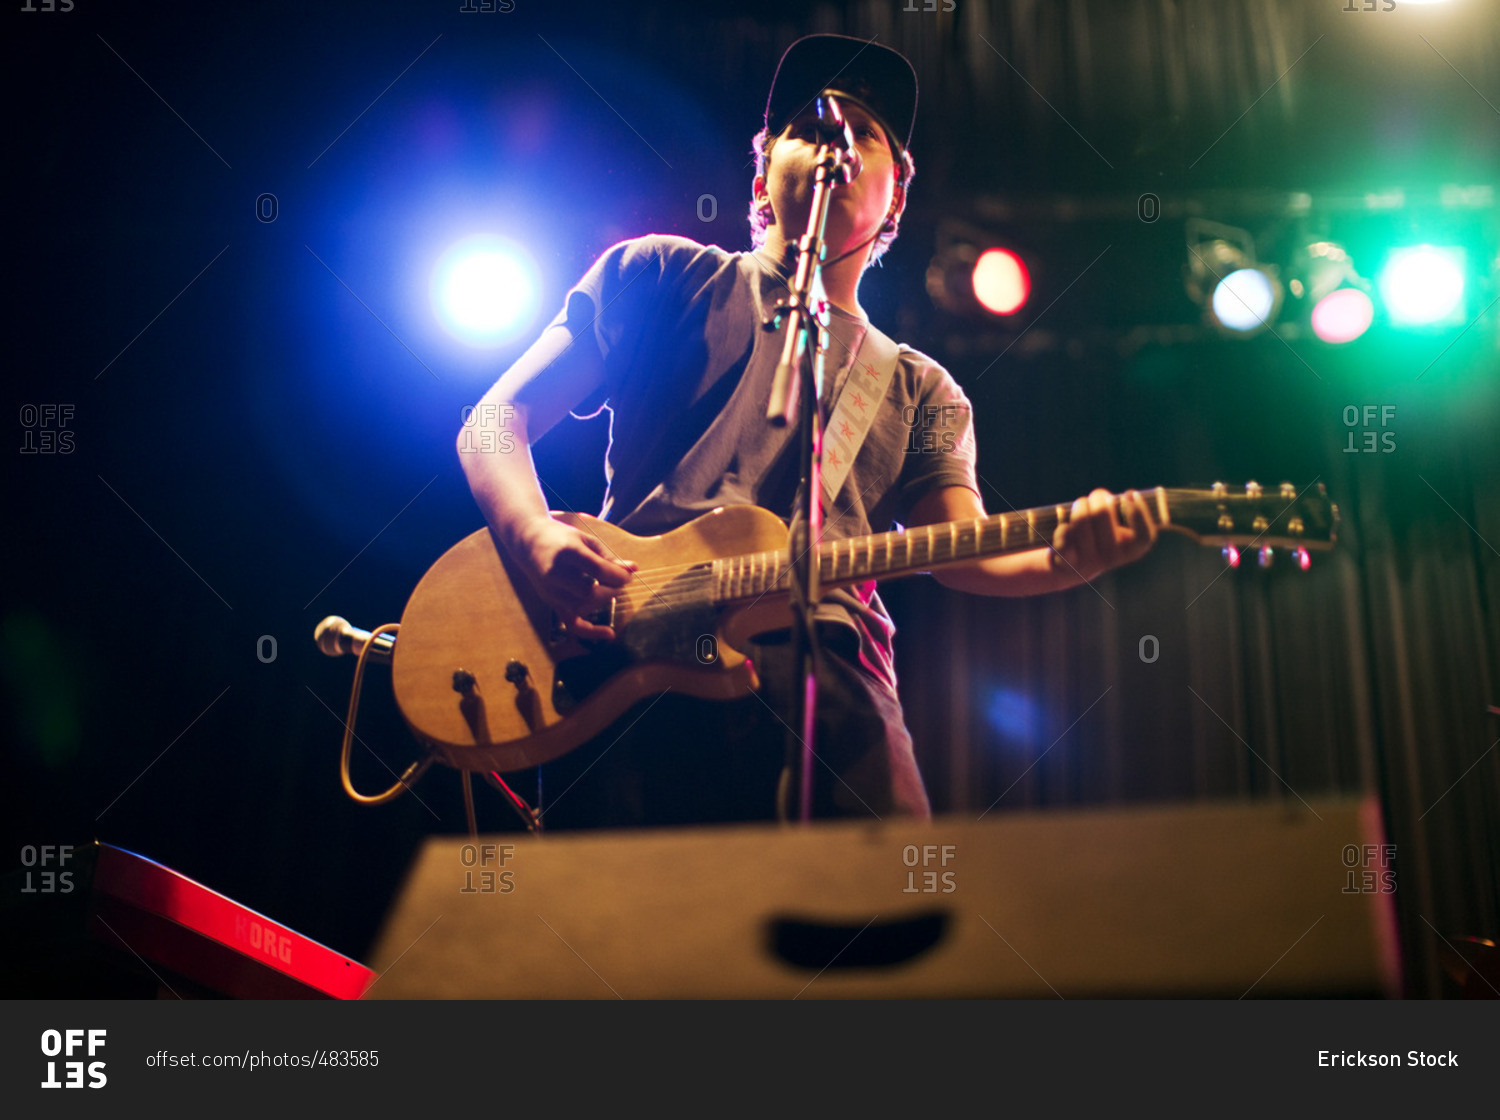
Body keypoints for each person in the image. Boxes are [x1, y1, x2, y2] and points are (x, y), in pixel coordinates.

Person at [457, 34, 1159, 828]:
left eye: (866, 136)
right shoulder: (658, 275)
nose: (839, 146)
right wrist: (532, 538)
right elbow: (493, 417)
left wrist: (1067, 557)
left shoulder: (918, 386)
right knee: (625, 934)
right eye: (813, 127)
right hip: (628, 657)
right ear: (762, 174)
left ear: (895, 199)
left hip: (829, 666)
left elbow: (963, 551)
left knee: (878, 922)